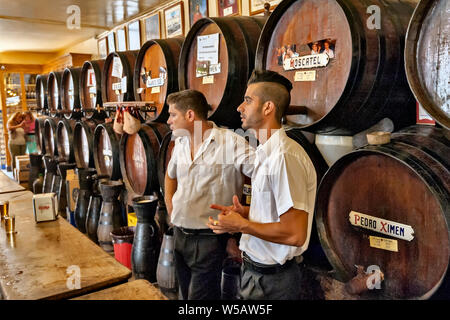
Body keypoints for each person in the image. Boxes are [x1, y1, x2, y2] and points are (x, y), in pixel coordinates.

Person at [207, 70, 317, 300]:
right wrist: (244, 214)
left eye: (248, 100)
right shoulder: (264, 153)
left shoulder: (284, 157)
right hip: (257, 275)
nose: (239, 107)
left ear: (268, 108)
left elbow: (295, 234)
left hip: (273, 283)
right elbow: (277, 215)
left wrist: (242, 226)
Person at [164, 89, 254, 300]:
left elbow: (263, 177)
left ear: (190, 115)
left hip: (209, 238)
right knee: (185, 296)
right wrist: (170, 206)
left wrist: (244, 218)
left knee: (201, 300)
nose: (168, 121)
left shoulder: (230, 143)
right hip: (179, 234)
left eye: (173, 115)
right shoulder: (181, 142)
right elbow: (170, 175)